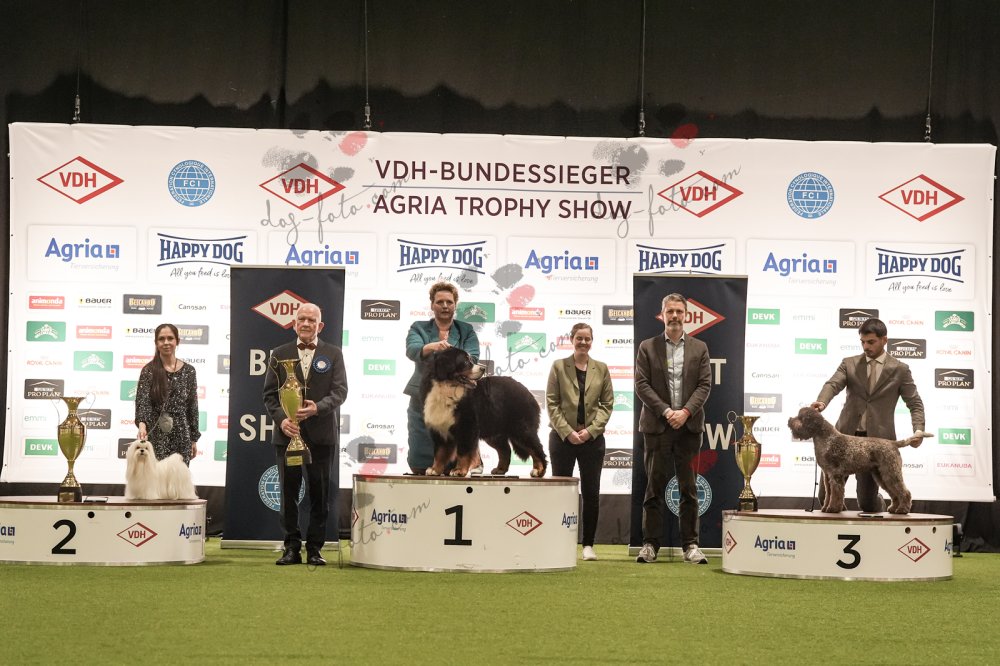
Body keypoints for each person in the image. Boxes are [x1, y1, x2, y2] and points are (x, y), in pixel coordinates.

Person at [263, 303, 348, 566]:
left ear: (320, 326)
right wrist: (281, 420)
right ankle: (291, 548)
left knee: (319, 494)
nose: (306, 323)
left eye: (312, 320)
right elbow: (269, 395)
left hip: (321, 435)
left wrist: (317, 408)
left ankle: (314, 549)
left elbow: (340, 391)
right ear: (294, 323)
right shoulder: (278, 354)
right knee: (288, 494)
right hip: (287, 435)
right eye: (302, 319)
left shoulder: (333, 353)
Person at [811, 317, 924, 512]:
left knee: (867, 503)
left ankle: (882, 503)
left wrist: (919, 430)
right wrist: (821, 402)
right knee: (825, 497)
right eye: (862, 342)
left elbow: (915, 403)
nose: (866, 347)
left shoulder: (900, 369)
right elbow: (833, 384)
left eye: (871, 342)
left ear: (884, 340)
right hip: (843, 438)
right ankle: (840, 523)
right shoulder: (849, 363)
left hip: (876, 443)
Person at [634, 293, 712, 564]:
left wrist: (685, 412)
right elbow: (641, 384)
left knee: (689, 489)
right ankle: (650, 545)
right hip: (658, 426)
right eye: (670, 311)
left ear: (686, 315)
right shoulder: (647, 347)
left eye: (679, 311)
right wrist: (667, 412)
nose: (675, 316)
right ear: (662, 315)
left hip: (688, 428)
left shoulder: (700, 348)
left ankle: (690, 545)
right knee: (653, 488)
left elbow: (704, 385)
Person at [546, 323, 614, 561]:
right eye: (579, 338)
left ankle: (588, 545)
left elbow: (607, 405)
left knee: (591, 493)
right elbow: (552, 403)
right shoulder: (558, 366)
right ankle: (559, 542)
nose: (583, 342)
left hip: (592, 441)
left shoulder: (601, 369)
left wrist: (589, 432)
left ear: (592, 341)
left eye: (587, 339)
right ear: (571, 339)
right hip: (562, 439)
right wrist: (567, 432)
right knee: (561, 493)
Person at [403, 281, 480, 474]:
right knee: (419, 459)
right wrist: (433, 347)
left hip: (456, 401)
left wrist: (448, 357)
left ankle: (463, 465)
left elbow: (473, 356)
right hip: (422, 398)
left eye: (449, 302)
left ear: (455, 305)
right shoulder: (419, 328)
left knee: (458, 449)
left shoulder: (466, 330)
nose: (445, 306)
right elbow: (412, 350)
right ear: (432, 304)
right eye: (439, 302)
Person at [135, 323, 200, 465]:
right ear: (156, 342)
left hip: (182, 435)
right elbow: (143, 402)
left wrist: (193, 438)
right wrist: (142, 427)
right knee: (155, 477)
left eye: (170, 338)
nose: (166, 342)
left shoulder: (189, 371)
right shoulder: (148, 370)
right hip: (156, 435)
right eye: (161, 339)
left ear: (177, 341)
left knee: (179, 477)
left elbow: (192, 406)